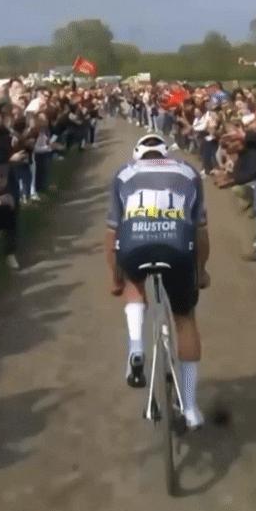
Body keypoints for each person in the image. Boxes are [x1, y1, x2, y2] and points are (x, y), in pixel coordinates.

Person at [105, 134, 210, 429]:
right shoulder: (188, 172)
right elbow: (201, 232)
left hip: (135, 248)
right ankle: (190, 406)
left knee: (133, 284)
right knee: (185, 320)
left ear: (137, 154)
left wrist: (115, 279)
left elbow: (111, 234)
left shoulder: (124, 173)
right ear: (166, 154)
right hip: (177, 250)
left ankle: (136, 348)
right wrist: (201, 271)